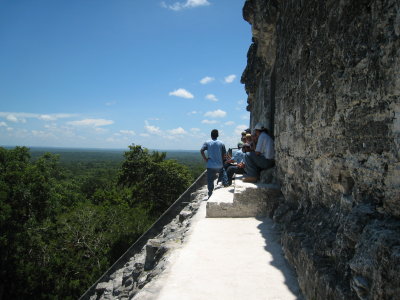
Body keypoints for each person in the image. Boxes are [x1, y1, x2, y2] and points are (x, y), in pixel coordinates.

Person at [200, 129, 227, 197]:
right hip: (219, 165)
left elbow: (201, 150)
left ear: (211, 135)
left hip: (210, 165)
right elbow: (224, 154)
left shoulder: (207, 142)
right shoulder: (221, 143)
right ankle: (223, 183)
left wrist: (205, 159)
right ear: (217, 135)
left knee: (210, 181)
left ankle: (210, 194)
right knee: (223, 172)